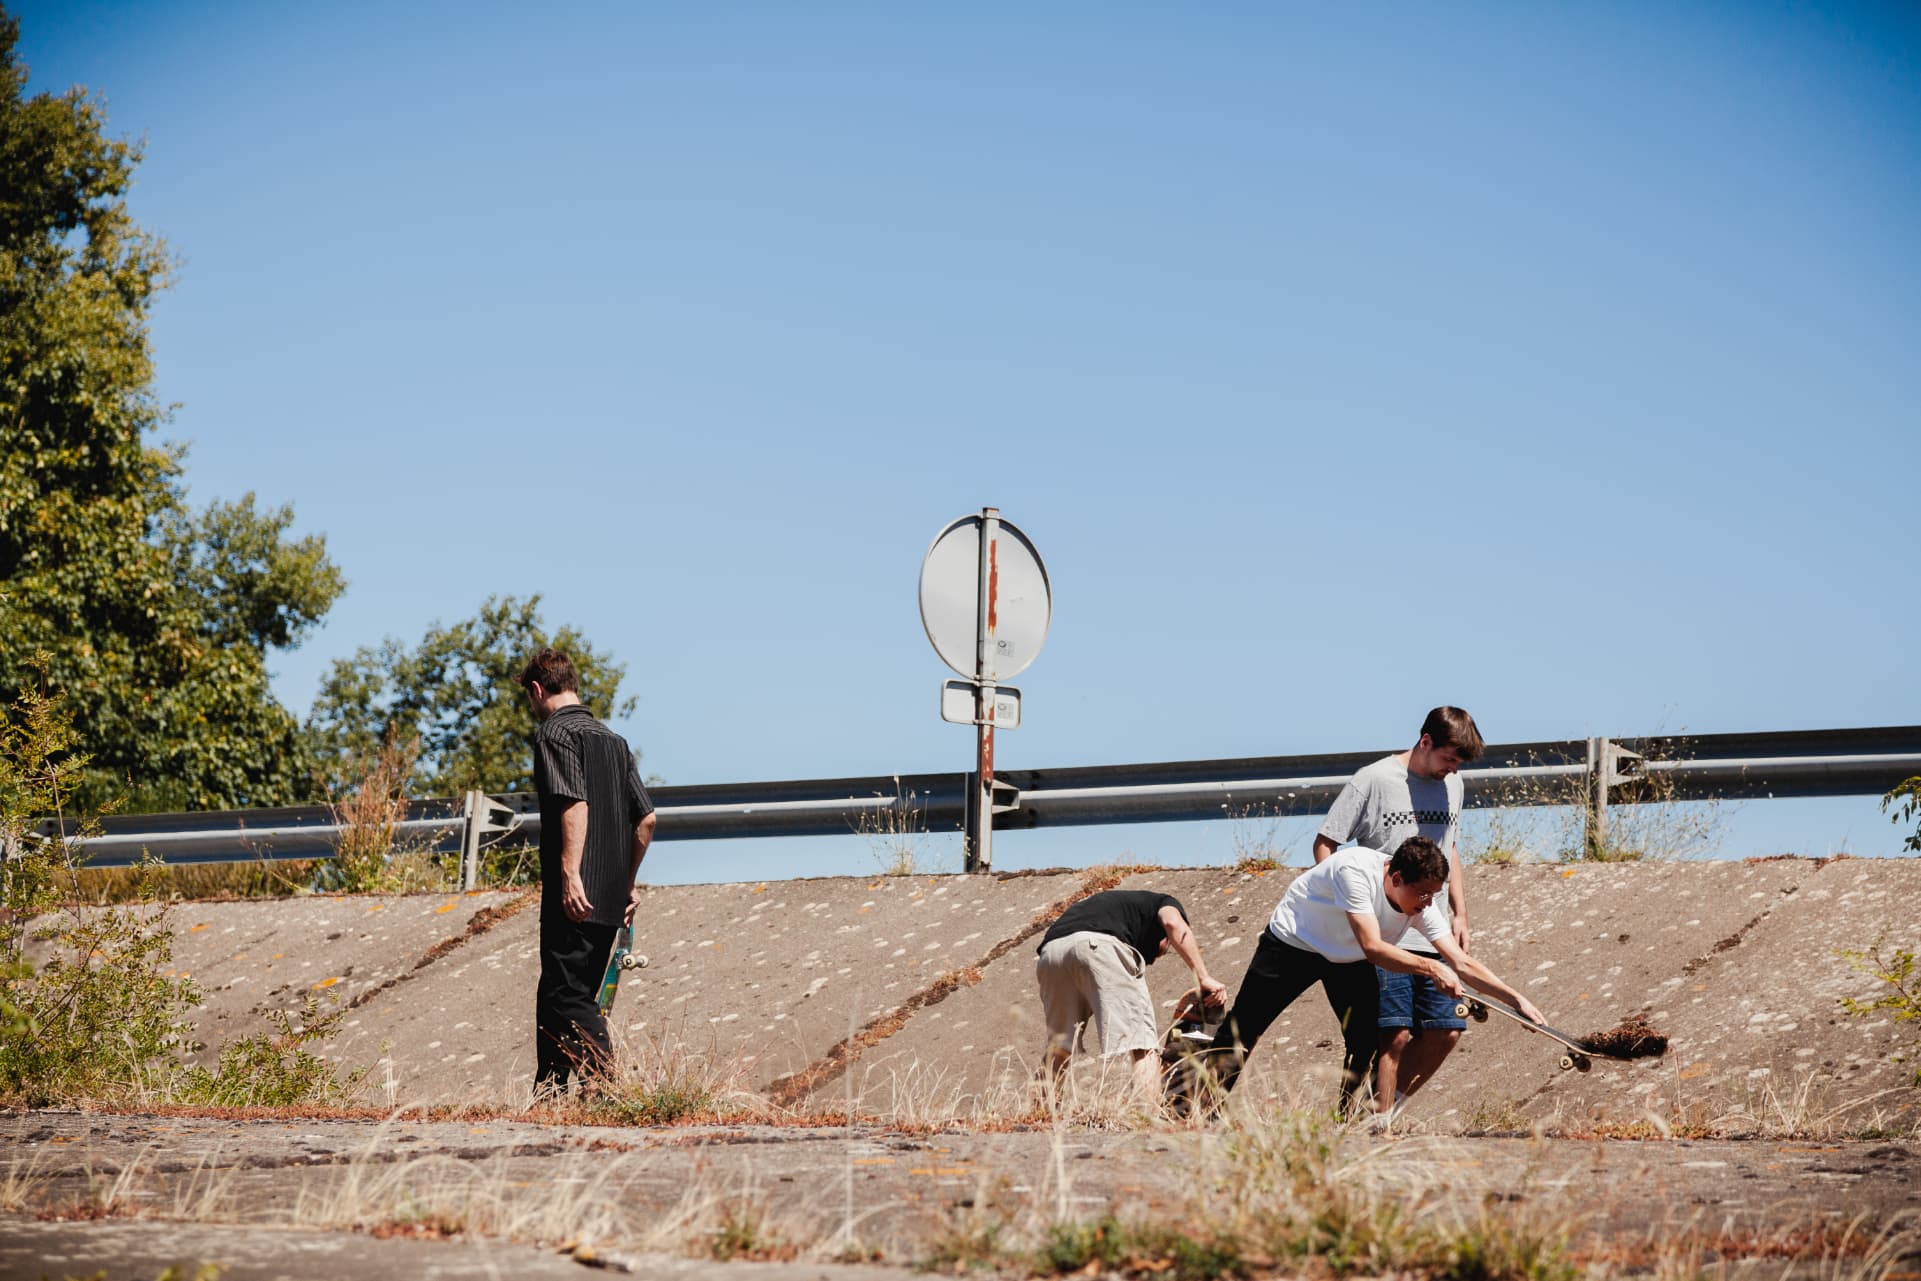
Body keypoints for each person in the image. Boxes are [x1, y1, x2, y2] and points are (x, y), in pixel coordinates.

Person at [1203, 836, 1541, 1118]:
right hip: (1295, 943)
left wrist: (1516, 999)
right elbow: (1374, 947)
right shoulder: (1354, 870)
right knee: (1244, 1027)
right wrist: (1433, 967)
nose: (1428, 903)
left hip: (1348, 958)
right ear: (1395, 879)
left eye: (1434, 895)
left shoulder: (1421, 904)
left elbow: (1461, 962)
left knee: (1365, 1041)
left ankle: (1349, 1124)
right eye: (1422, 893)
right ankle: (1200, 1111)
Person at [1314, 707, 1482, 1119]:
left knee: (1446, 1030)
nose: (1453, 769)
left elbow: (1450, 848)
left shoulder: (1453, 784)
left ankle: (1380, 1114)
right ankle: (1365, 1121)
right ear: (1425, 742)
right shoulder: (1373, 779)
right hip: (1386, 931)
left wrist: (1460, 913)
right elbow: (1326, 843)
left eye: (1459, 763)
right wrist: (1345, 908)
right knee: (1394, 1033)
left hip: (1433, 928)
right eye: (1449, 759)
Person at [521, 647, 655, 1098]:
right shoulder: (613, 741)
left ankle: (607, 1087)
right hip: (611, 893)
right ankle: (551, 1093)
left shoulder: (554, 734)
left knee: (568, 996)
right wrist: (627, 883)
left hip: (575, 893)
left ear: (538, 690)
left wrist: (570, 873)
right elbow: (647, 819)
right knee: (558, 991)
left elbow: (574, 804)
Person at [1035, 888, 1228, 1106]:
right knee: (1142, 1043)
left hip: (1050, 955)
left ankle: (1041, 1111)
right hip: (1099, 946)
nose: (1153, 958)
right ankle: (1146, 1119)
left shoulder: (1112, 905)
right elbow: (1174, 924)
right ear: (1163, 937)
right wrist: (1203, 977)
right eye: (1162, 950)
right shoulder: (1165, 902)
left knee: (1059, 1047)